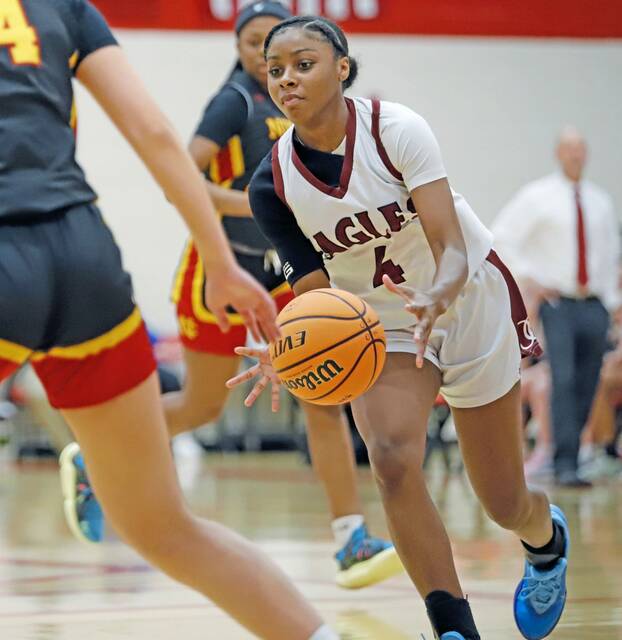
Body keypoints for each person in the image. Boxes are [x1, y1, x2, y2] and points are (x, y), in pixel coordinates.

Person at [0, 2, 340, 638]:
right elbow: (155, 134)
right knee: (167, 530)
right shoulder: (61, 6)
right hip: (84, 259)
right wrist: (222, 261)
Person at [227, 16, 571, 640]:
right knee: (389, 459)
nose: (286, 79)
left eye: (303, 63)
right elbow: (315, 299)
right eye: (274, 70)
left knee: (501, 501)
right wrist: (291, 348)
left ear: (343, 68)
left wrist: (439, 293)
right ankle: (452, 627)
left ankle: (545, 542)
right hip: (383, 326)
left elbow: (451, 245)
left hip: (463, 297)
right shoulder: (270, 186)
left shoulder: (396, 130)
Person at [61, 0, 400, 589]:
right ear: (245, 52)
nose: (272, 61)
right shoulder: (233, 102)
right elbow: (182, 174)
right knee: (201, 406)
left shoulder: (315, 108)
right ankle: (93, 454)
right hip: (222, 268)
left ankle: (351, 539)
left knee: (323, 396)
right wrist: (252, 203)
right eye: (259, 48)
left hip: (288, 271)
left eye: (283, 48)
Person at [492, 127, 621, 487]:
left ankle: (575, 453)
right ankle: (564, 461)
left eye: (581, 149)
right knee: (561, 379)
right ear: (558, 154)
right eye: (570, 149)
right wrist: (531, 277)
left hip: (594, 304)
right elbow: (501, 237)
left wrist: (612, 301)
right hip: (558, 303)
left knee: (589, 379)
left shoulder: (600, 201)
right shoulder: (538, 197)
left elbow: (609, 254)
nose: (576, 155)